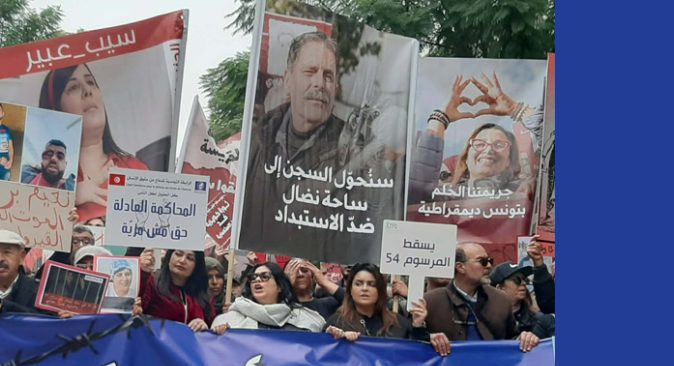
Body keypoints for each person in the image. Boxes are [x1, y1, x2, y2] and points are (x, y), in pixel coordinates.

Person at [241, 31, 395, 260]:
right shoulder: (256, 140)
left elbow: (371, 231)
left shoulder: (356, 153)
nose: (319, 84)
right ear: (288, 80)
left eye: (328, 76)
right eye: (310, 72)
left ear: (336, 88)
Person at [39, 64, 150, 223]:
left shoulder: (136, 170)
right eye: (74, 87)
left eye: (91, 82)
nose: (88, 91)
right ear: (55, 109)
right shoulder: (43, 181)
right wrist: (69, 198)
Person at [409, 73, 541, 202]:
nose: (488, 150)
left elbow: (551, 144)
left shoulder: (527, 191)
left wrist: (515, 109)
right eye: (479, 144)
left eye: (499, 145)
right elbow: (418, 190)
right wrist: (441, 118)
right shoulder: (447, 196)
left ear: (509, 161)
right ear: (466, 159)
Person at [136, 249, 217, 331]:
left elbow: (214, 328)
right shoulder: (152, 282)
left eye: (190, 258)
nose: (182, 260)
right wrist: (143, 272)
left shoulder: (202, 293)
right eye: (178, 254)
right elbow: (137, 307)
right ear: (169, 257)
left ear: (196, 266)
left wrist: (204, 326)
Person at [490, 262, 555, 338]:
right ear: (500, 288)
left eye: (525, 279)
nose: (523, 283)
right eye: (517, 280)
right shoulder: (486, 322)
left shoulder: (540, 321)